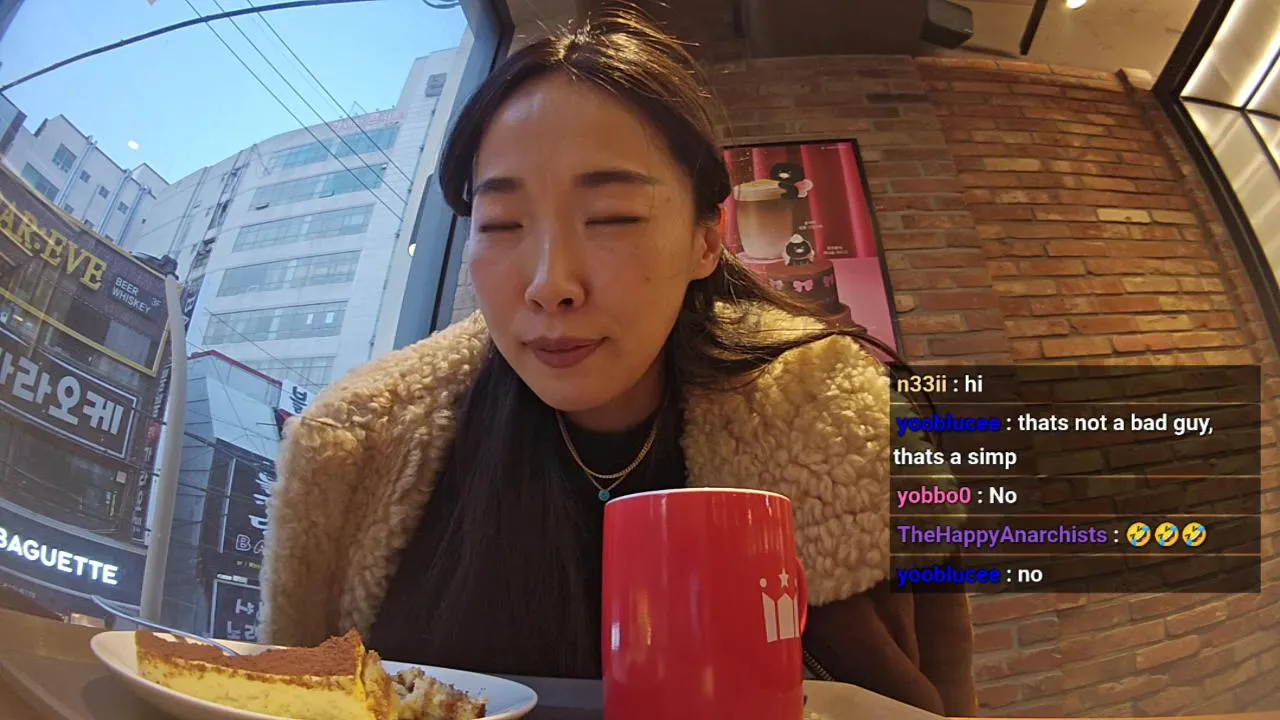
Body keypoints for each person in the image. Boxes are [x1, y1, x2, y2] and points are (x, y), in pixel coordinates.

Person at [261, 9, 976, 717]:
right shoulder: (360, 449)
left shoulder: (851, 433)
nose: (551, 284)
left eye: (612, 217)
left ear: (706, 241)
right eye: (502, 224)